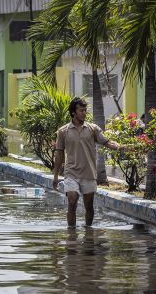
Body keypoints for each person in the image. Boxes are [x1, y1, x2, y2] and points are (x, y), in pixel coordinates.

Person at [52, 97, 125, 227]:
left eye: (85, 110)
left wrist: (121, 146)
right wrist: (56, 176)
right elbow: (59, 154)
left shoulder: (93, 129)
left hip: (89, 173)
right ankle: (72, 233)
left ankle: (88, 231)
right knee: (72, 200)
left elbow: (107, 142)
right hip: (71, 173)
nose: (84, 113)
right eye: (81, 110)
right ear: (73, 112)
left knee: (89, 207)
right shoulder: (63, 131)